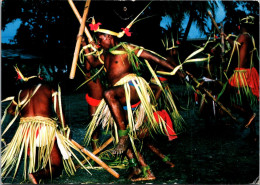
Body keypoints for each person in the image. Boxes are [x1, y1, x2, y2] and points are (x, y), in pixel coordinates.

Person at [83, 17, 180, 156]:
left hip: (132, 88)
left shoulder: (126, 48)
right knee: (120, 127)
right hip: (120, 96)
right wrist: (84, 45)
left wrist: (178, 71)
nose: (99, 42)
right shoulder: (105, 56)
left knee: (108, 94)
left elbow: (156, 58)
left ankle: (123, 138)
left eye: (100, 39)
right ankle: (138, 167)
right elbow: (91, 64)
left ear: (109, 36)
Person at [1, 66, 90, 184]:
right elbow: (60, 113)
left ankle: (38, 172)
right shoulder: (49, 88)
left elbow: (9, 111)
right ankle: (35, 175)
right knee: (57, 167)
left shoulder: (20, 93)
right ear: (39, 75)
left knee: (40, 158)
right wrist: (65, 130)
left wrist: (22, 115)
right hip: (43, 129)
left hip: (25, 132)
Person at [220, 15, 259, 140]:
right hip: (247, 73)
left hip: (240, 75)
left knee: (223, 99)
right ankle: (254, 135)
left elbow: (234, 51)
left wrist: (226, 41)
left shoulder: (242, 37)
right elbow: (239, 48)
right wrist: (227, 39)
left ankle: (246, 115)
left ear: (240, 26)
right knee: (246, 104)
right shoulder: (250, 38)